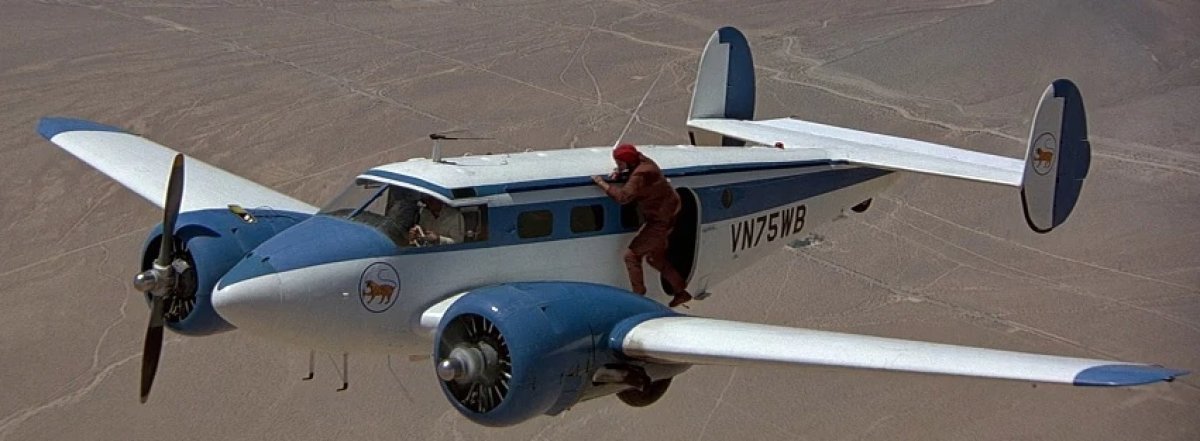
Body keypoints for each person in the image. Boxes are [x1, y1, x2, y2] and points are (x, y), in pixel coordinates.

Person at [592, 143, 692, 307]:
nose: (618, 165)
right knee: (655, 259)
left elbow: (623, 197)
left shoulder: (641, 174)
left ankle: (639, 295)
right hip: (668, 213)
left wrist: (602, 183)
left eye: (619, 162)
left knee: (631, 256)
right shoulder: (643, 162)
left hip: (659, 221)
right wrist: (620, 171)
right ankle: (681, 292)